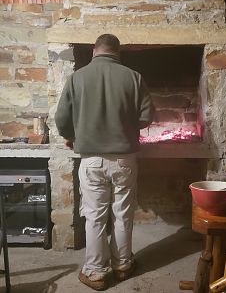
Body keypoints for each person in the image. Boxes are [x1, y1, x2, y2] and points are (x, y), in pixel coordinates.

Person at [55, 34, 154, 291]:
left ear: (94, 52)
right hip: (125, 159)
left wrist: (70, 137)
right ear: (117, 53)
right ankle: (123, 265)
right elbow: (146, 118)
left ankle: (96, 273)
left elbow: (62, 118)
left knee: (95, 218)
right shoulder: (134, 77)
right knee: (123, 214)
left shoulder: (77, 78)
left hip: (91, 160)